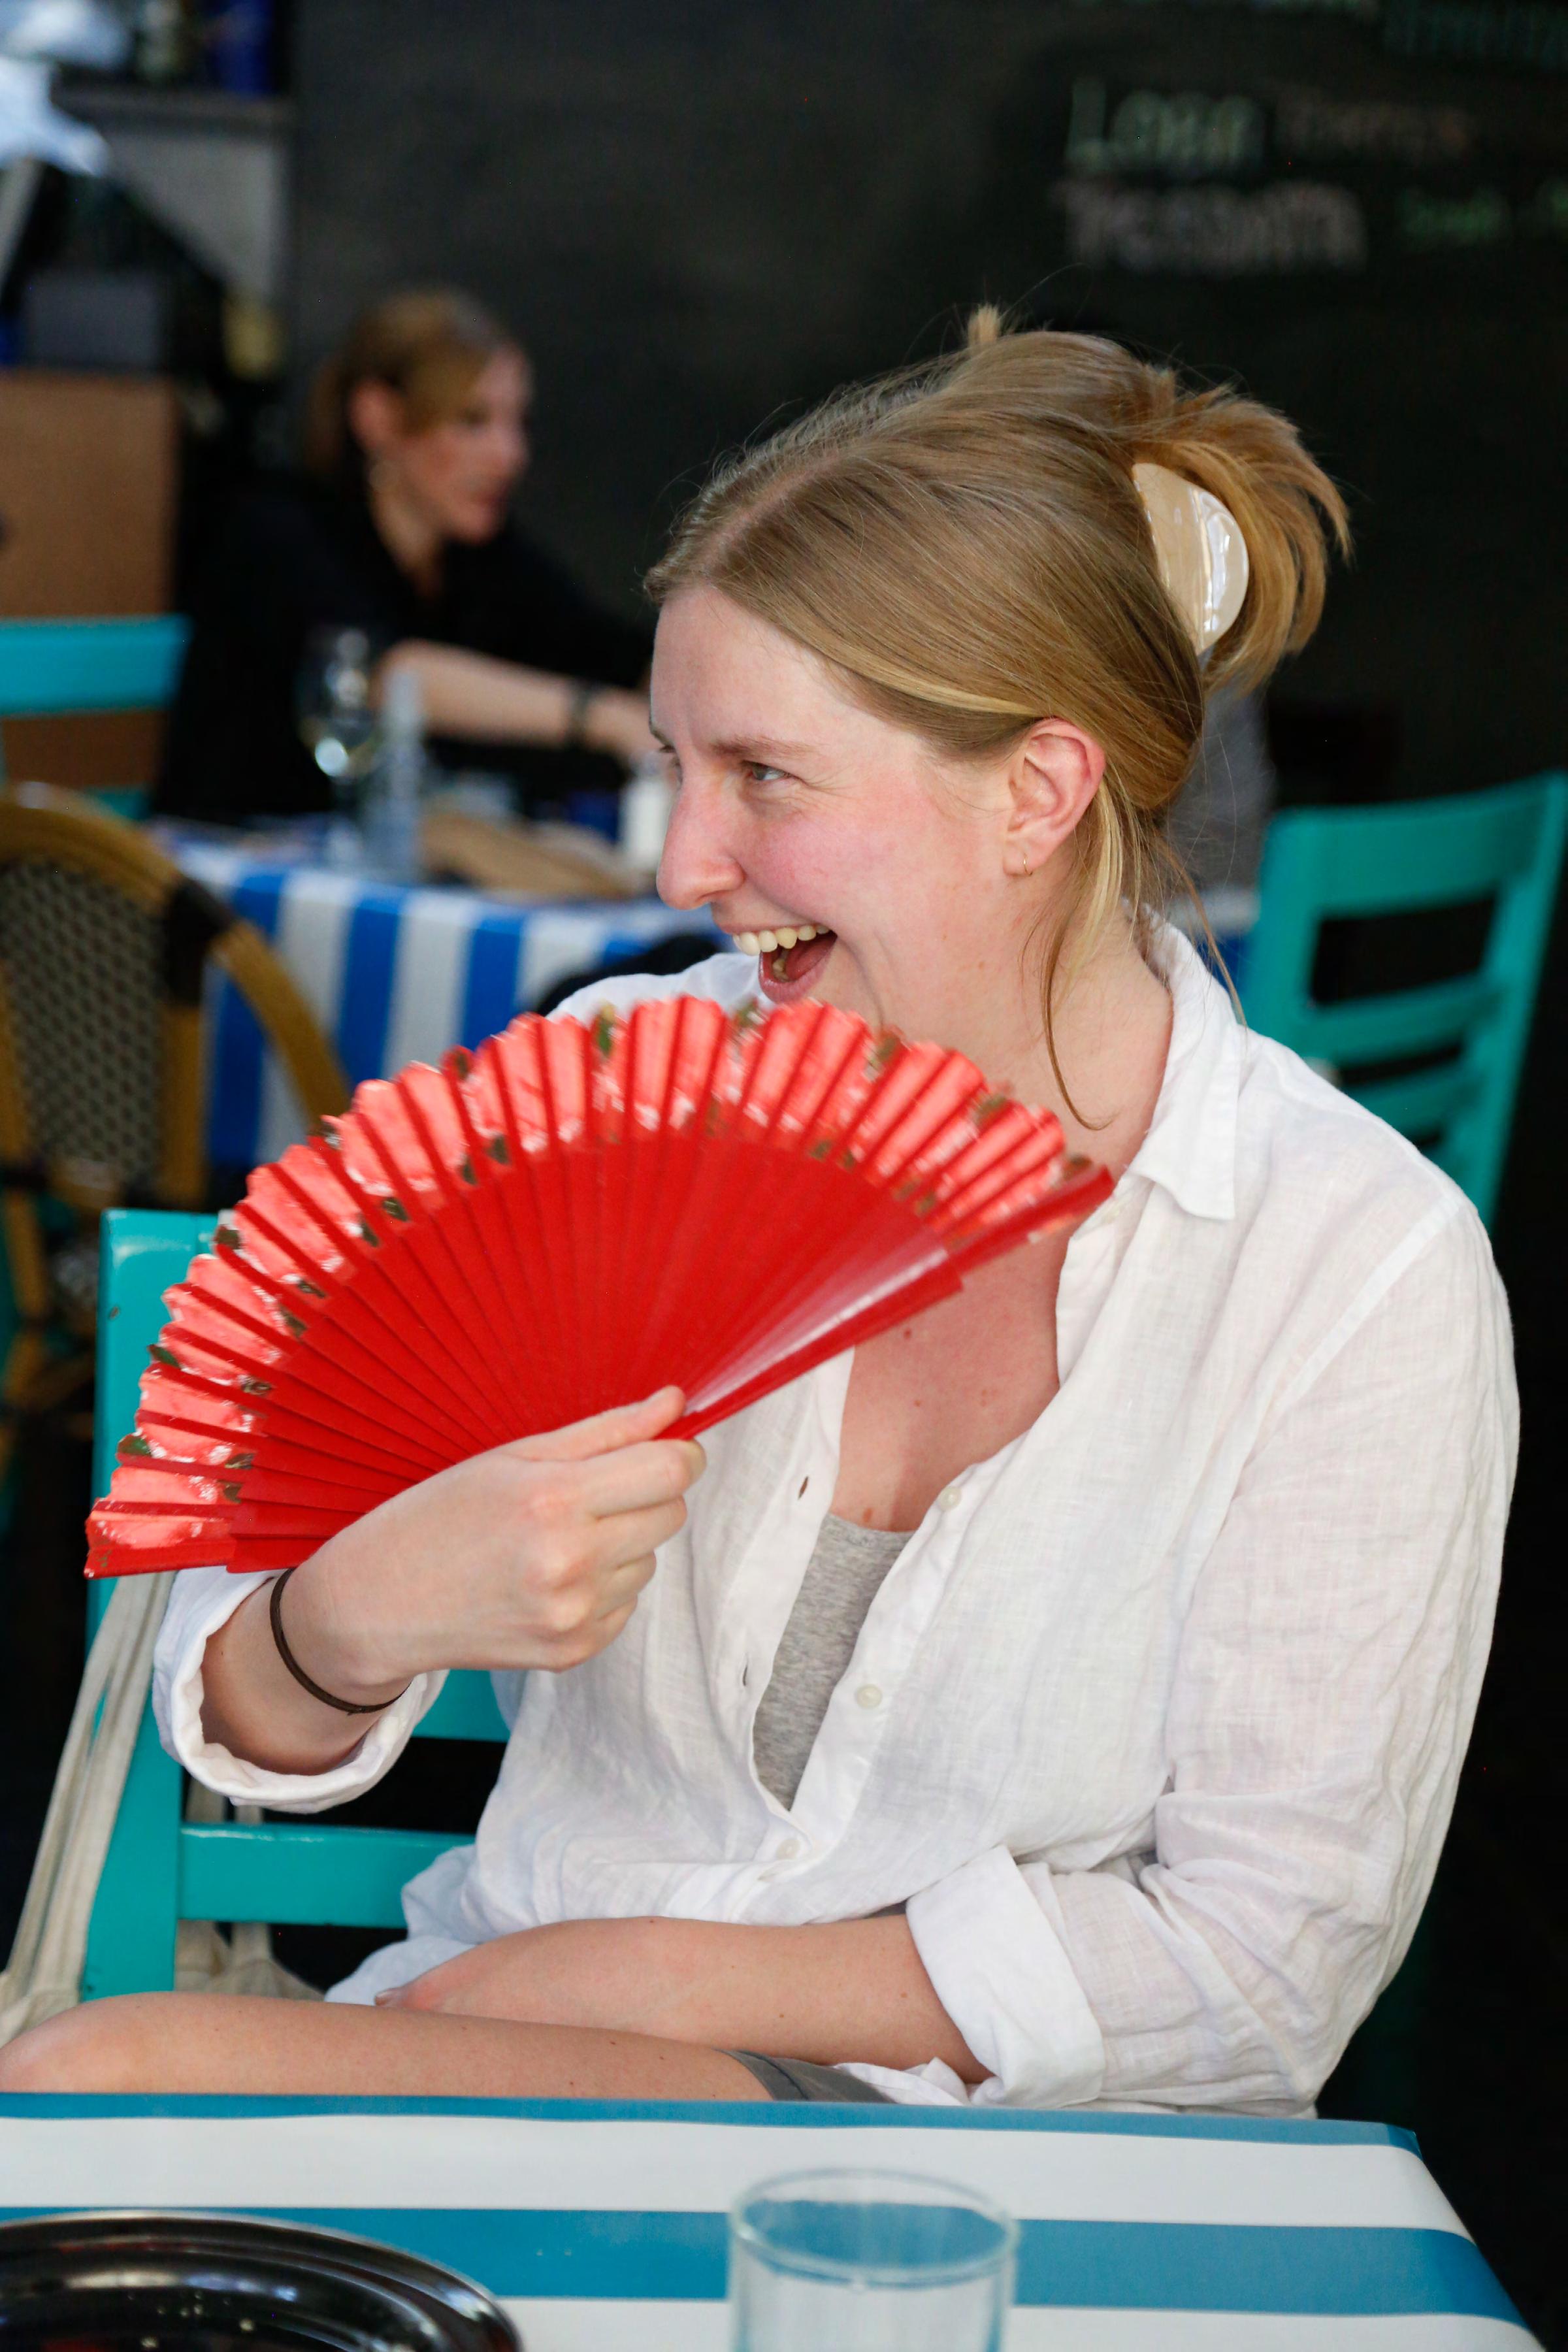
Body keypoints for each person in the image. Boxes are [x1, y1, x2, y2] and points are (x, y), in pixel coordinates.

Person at [3, 314, 1514, 2107]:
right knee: (69, 2086)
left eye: (763, 777)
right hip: (492, 2062)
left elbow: (1262, 1969)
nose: (678, 866)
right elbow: (240, 1714)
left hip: (1011, 2166)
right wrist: (347, 1614)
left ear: (1037, 791)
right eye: (673, 762)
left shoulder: (1350, 1265)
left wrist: (632, 1981)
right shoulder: (615, 1086)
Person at [154, 289, 655, 825]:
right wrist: (596, 716)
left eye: (518, 423)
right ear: (379, 419)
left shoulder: (480, 555)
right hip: (226, 856)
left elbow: (612, 650)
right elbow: (386, 676)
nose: (511, 455)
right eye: (473, 421)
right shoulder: (279, 531)